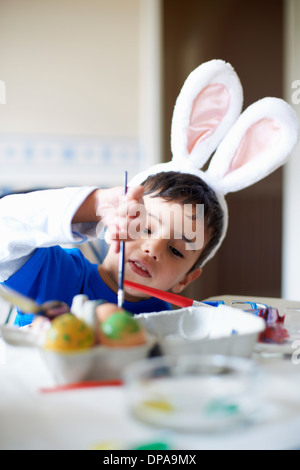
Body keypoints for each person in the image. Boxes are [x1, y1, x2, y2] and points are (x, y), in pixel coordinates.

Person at [0, 171, 224, 326]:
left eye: (176, 250)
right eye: (144, 228)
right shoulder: (55, 274)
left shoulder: (173, 323)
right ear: (114, 223)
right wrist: (93, 205)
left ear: (185, 279)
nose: (153, 248)